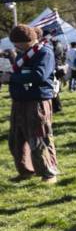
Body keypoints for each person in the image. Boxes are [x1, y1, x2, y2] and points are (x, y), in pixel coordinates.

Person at [5, 25, 59, 183]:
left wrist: (12, 78)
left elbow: (39, 75)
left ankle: (48, 172)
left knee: (39, 137)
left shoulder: (44, 52)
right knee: (16, 139)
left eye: (18, 43)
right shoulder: (24, 54)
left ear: (27, 41)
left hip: (36, 101)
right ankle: (26, 170)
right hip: (19, 101)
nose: (15, 46)